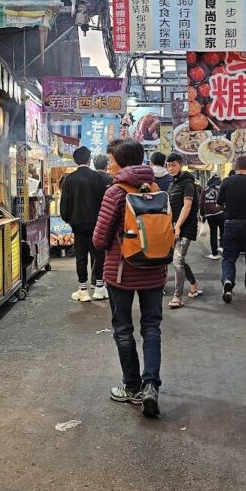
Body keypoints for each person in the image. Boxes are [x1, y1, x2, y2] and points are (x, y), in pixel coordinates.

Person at [93, 139, 167, 418]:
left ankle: (133, 387)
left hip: (122, 273)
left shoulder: (116, 192)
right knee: (152, 328)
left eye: (111, 159)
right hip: (155, 270)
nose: (109, 163)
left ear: (122, 161)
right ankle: (151, 386)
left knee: (123, 329)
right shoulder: (158, 188)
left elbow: (100, 240)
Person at [60, 146, 109, 302]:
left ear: (76, 161)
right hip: (96, 223)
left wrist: (68, 218)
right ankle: (99, 288)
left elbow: (64, 204)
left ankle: (83, 290)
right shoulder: (98, 178)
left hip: (78, 224)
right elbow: (104, 202)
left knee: (81, 257)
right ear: (89, 160)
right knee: (99, 254)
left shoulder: (69, 179)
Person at [217, 155, 246, 302]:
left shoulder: (226, 181)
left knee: (229, 257)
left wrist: (229, 209)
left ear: (234, 167)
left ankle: (228, 281)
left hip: (230, 223)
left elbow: (219, 204)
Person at [165, 152, 201, 309]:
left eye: (173, 165)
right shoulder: (173, 183)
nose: (170, 168)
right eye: (168, 165)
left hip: (185, 227)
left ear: (180, 164)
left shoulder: (188, 183)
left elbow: (187, 206)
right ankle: (193, 284)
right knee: (179, 259)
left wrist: (178, 226)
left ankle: (178, 297)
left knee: (177, 260)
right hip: (174, 226)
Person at [199, 174, 225, 260]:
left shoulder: (205, 189)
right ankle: (221, 247)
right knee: (222, 231)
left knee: (213, 234)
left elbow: (201, 203)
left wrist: (202, 215)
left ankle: (214, 254)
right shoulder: (220, 188)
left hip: (210, 215)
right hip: (220, 212)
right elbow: (224, 200)